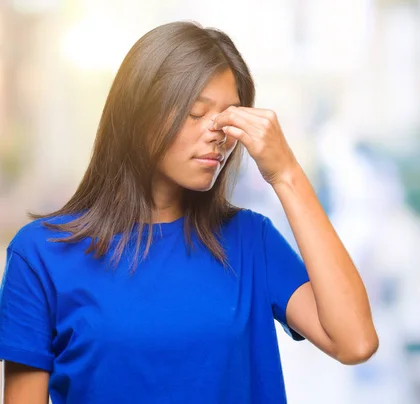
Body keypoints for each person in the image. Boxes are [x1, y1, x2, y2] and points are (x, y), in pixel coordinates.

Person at [0, 21, 378, 404]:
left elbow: (356, 342)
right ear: (138, 113)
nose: (218, 134)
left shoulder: (251, 240)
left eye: (229, 118)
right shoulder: (41, 255)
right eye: (196, 113)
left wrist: (287, 174)